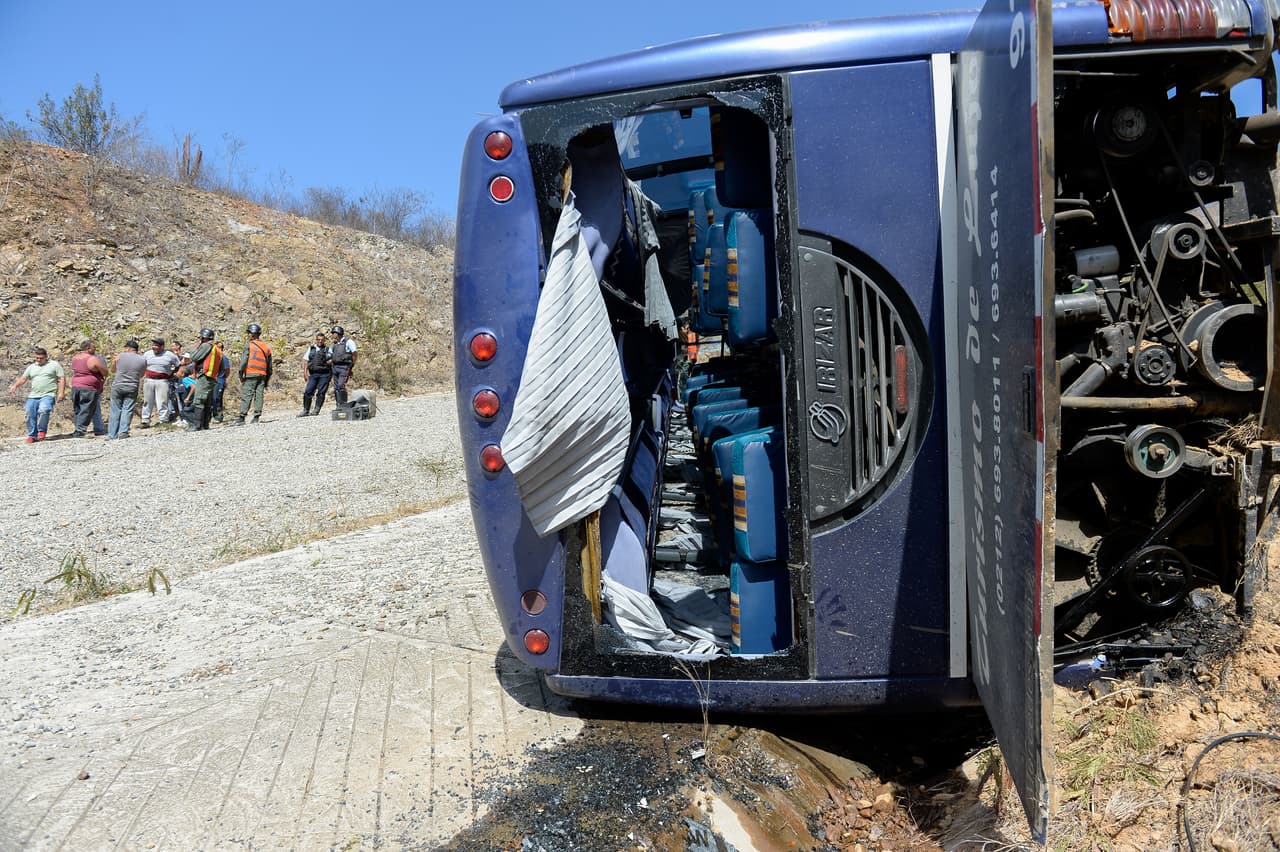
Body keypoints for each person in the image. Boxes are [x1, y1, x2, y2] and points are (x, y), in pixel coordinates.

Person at [7, 347, 65, 442]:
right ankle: (32, 435)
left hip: (48, 394)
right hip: (33, 395)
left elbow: (61, 378)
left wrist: (61, 392)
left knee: (44, 410)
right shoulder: (32, 367)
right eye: (37, 358)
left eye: (41, 358)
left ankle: (41, 431)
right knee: (29, 412)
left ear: (46, 356)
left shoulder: (54, 365)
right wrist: (15, 386)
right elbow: (23, 378)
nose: (38, 360)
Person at [234, 323, 273, 425]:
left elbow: (243, 362)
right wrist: (267, 378)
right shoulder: (266, 347)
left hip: (251, 374)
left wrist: (241, 374)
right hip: (262, 375)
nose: (248, 335)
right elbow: (270, 366)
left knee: (247, 395)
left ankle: (242, 417)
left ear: (252, 334)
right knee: (259, 395)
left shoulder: (249, 346)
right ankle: (256, 417)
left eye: (249, 333)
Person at [107, 339, 146, 439]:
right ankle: (123, 431)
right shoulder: (143, 359)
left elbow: (112, 370)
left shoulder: (120, 356)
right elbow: (142, 375)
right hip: (132, 386)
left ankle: (112, 435)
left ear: (128, 348)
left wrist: (115, 363)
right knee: (127, 409)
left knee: (115, 409)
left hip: (118, 385)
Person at [69, 340, 109, 438]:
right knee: (87, 408)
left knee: (78, 408)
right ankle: (80, 430)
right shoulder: (92, 359)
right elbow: (104, 372)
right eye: (93, 347)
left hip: (76, 385)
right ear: (88, 348)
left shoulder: (75, 358)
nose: (95, 349)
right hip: (88, 387)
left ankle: (78, 428)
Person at [185, 328, 222, 431]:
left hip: (204, 376)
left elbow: (194, 357)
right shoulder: (217, 349)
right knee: (206, 401)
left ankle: (197, 425)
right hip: (212, 377)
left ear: (204, 337)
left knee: (199, 400)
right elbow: (222, 367)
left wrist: (196, 348)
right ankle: (205, 425)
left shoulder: (206, 346)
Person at [140, 338, 179, 428]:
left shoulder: (170, 355)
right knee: (147, 400)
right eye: (153, 345)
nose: (154, 347)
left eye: (157, 346)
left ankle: (163, 420)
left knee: (162, 401)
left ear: (162, 347)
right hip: (149, 380)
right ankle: (145, 420)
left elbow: (178, 365)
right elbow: (142, 365)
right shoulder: (147, 354)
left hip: (162, 381)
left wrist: (171, 374)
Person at [299, 331, 331, 416]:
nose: (320, 341)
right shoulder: (311, 349)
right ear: (316, 340)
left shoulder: (328, 349)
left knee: (321, 392)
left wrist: (329, 361)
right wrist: (305, 373)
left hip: (324, 374)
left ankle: (316, 410)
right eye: (318, 340)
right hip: (313, 374)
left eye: (322, 340)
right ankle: (306, 410)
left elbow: (332, 360)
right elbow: (306, 361)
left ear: (324, 340)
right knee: (308, 392)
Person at [329, 325, 358, 407]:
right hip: (335, 367)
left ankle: (343, 403)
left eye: (333, 333)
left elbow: (355, 353)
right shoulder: (334, 344)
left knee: (341, 385)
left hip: (344, 367)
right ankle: (338, 404)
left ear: (338, 333)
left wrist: (352, 364)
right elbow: (331, 354)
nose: (332, 335)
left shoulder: (348, 342)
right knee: (336, 387)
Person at [211, 343, 231, 423]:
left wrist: (222, 378)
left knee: (217, 399)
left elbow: (227, 370)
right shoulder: (213, 358)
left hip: (219, 381)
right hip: (213, 382)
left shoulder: (223, 358)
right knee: (213, 399)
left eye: (218, 347)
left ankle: (218, 417)